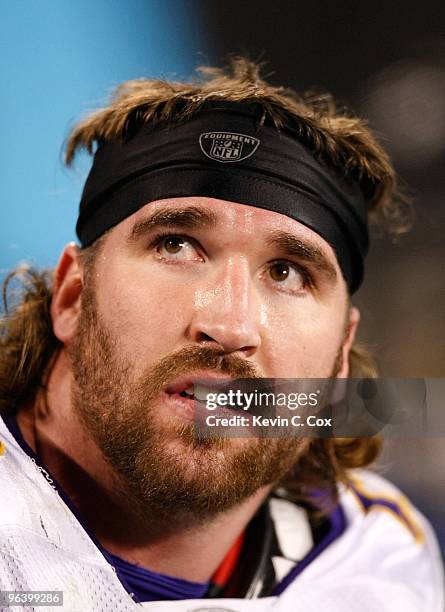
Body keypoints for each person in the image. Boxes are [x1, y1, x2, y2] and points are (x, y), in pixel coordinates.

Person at [0, 58, 442, 611]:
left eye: (287, 273)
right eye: (176, 245)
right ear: (72, 297)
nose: (231, 327)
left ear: (339, 360)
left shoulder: (383, 559)